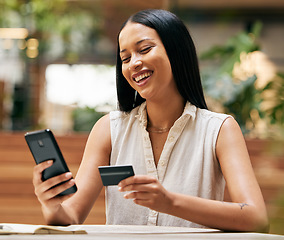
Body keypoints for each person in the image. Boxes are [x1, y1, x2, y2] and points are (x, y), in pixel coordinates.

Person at [33, 9, 269, 232]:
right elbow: (70, 217)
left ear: (176, 52)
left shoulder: (219, 129)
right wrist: (52, 205)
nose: (134, 62)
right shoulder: (108, 129)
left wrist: (169, 202)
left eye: (144, 49)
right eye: (125, 58)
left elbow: (257, 219)